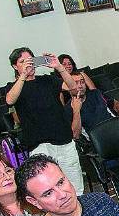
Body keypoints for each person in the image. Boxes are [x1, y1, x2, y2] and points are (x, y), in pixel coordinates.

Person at [5, 47, 85, 195]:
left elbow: (73, 88)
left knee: (75, 186)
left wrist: (59, 67)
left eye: (30, 60)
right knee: (48, 186)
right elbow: (10, 100)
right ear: (15, 66)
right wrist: (23, 76)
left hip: (63, 139)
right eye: (23, 62)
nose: (29, 65)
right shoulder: (13, 87)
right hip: (39, 144)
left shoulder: (47, 80)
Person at [63, 73, 119, 140]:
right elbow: (75, 135)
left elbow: (115, 103)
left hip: (116, 128)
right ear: (68, 87)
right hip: (99, 140)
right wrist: (76, 110)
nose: (80, 86)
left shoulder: (96, 93)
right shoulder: (68, 109)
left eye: (82, 82)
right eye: (75, 83)